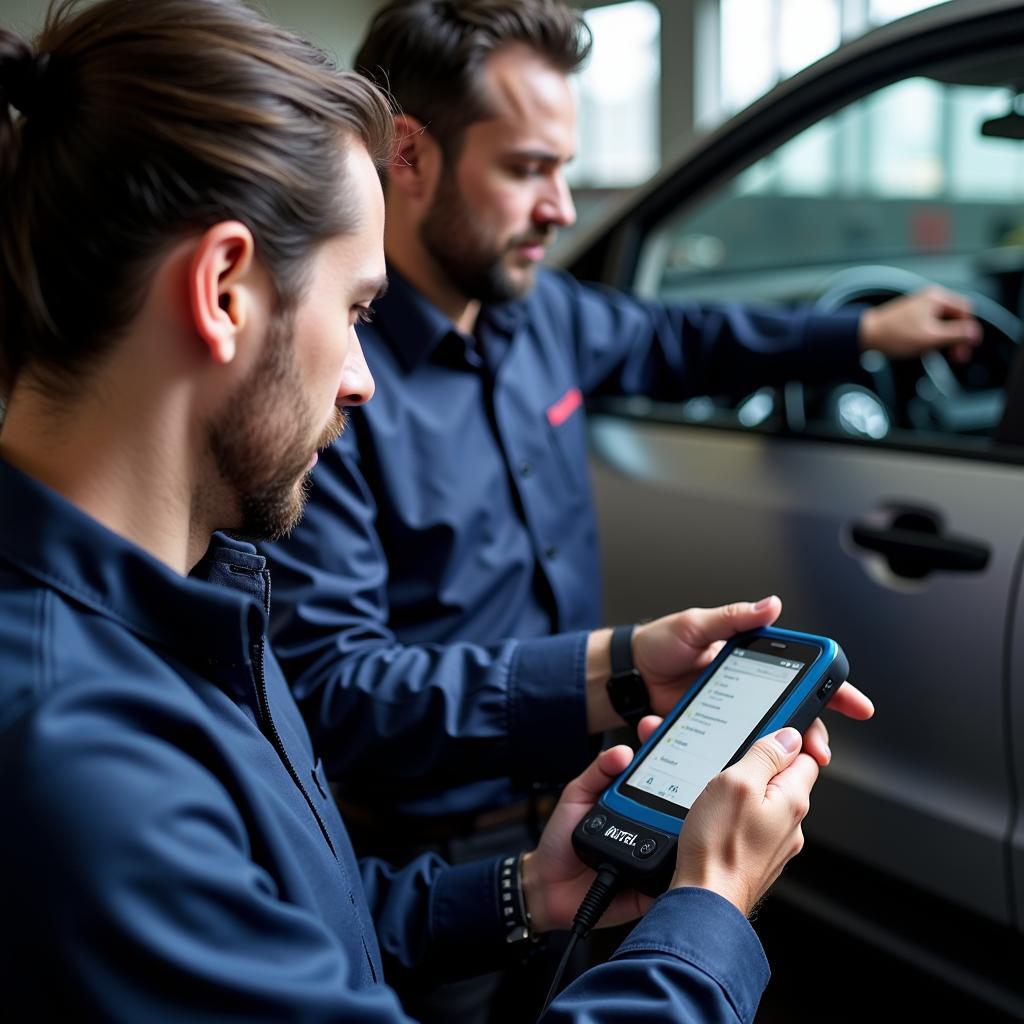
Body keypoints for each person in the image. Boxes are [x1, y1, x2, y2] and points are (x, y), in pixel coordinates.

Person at [0, 0, 875, 1020]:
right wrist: (708, 914)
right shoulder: (84, 756)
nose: (364, 379)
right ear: (225, 288)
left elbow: (295, 913)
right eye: (354, 309)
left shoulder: (189, 609)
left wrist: (522, 892)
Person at [263, 0, 964, 853]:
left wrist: (861, 332)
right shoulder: (333, 390)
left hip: (588, 805)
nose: (560, 207)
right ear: (407, 154)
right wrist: (616, 667)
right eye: (527, 169)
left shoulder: (546, 313)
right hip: (415, 856)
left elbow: (682, 340)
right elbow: (338, 691)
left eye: (565, 168)